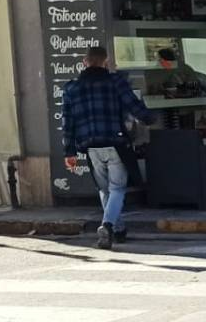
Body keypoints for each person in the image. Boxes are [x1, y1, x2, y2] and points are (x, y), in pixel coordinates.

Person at [61, 45, 151, 249]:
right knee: (117, 188)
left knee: (104, 189)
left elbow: (67, 122)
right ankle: (108, 225)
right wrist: (148, 118)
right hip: (115, 141)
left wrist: (69, 151)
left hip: (90, 145)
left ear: (85, 61)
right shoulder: (116, 82)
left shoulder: (71, 88)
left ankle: (118, 230)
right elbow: (133, 105)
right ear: (106, 61)